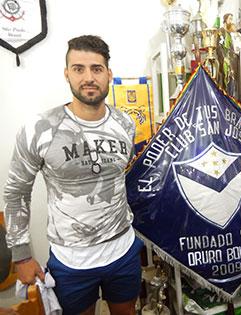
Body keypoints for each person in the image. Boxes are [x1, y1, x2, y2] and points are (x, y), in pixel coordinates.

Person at [4, 35, 143, 315]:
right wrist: (21, 257)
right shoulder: (39, 128)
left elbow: (121, 180)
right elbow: (16, 193)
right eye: (79, 69)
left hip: (123, 251)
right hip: (71, 261)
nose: (88, 78)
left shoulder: (125, 124)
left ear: (108, 74)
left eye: (96, 69)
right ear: (67, 73)